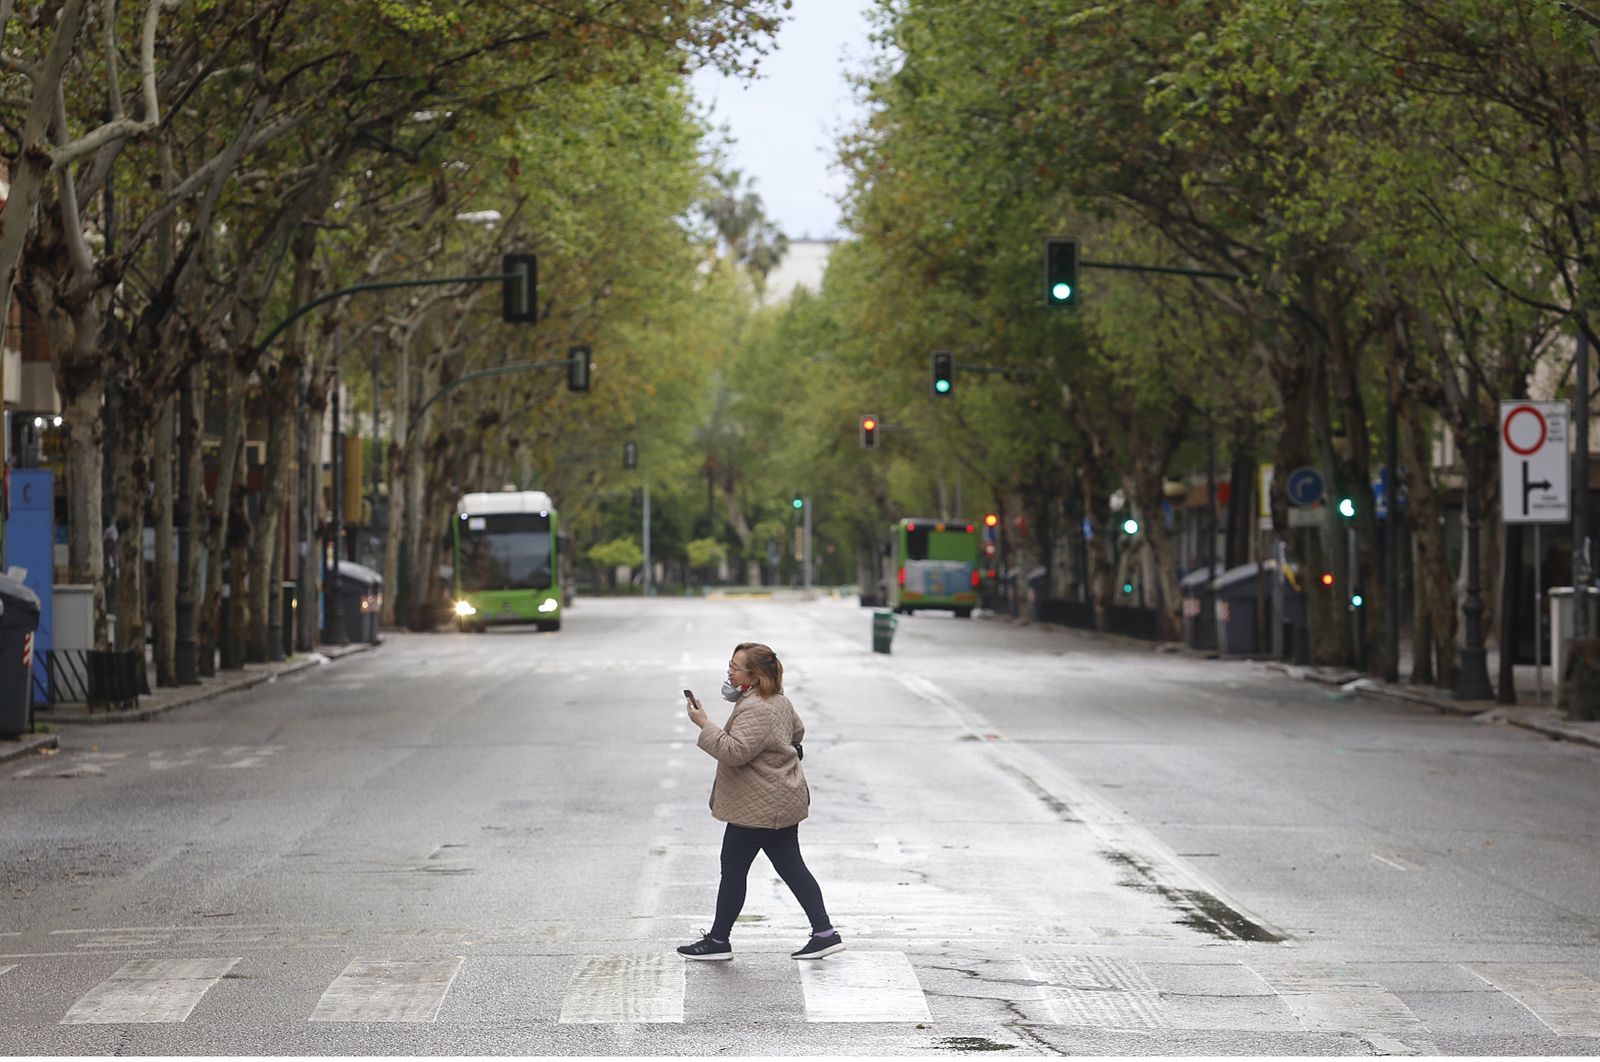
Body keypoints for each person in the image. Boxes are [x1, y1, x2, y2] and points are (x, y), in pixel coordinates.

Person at [677, 642, 844, 961]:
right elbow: (798, 731)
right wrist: (785, 750)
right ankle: (824, 933)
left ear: (753, 676)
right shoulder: (777, 701)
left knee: (734, 868)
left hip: (758, 807)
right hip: (778, 801)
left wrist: (704, 724)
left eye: (735, 667)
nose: (729, 671)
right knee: (792, 867)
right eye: (730, 664)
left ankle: (718, 941)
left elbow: (734, 752)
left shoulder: (757, 708)